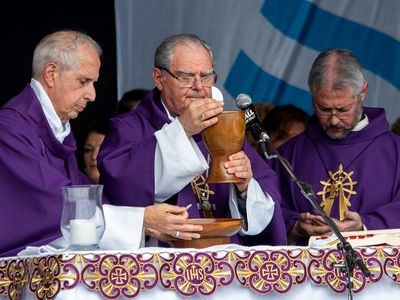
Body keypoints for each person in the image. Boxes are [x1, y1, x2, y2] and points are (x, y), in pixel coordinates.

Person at [0, 30, 200, 257]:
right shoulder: (11, 128)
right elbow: (51, 205)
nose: (92, 95)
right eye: (83, 81)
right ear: (51, 73)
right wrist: (140, 220)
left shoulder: (52, 127)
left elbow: (84, 195)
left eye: (93, 83)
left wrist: (141, 218)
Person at [98, 33, 286, 246]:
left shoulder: (225, 128)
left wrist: (244, 187)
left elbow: (265, 210)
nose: (199, 87)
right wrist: (183, 129)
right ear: (159, 78)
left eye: (206, 77)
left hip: (224, 262)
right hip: (163, 265)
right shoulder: (128, 129)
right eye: (186, 77)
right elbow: (122, 191)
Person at [271, 49, 400, 245]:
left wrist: (365, 226)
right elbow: (263, 211)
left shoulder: (395, 152)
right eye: (324, 109)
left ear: (362, 93)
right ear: (312, 94)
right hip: (304, 272)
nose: (333, 120)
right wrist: (294, 227)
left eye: (342, 109)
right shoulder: (287, 155)